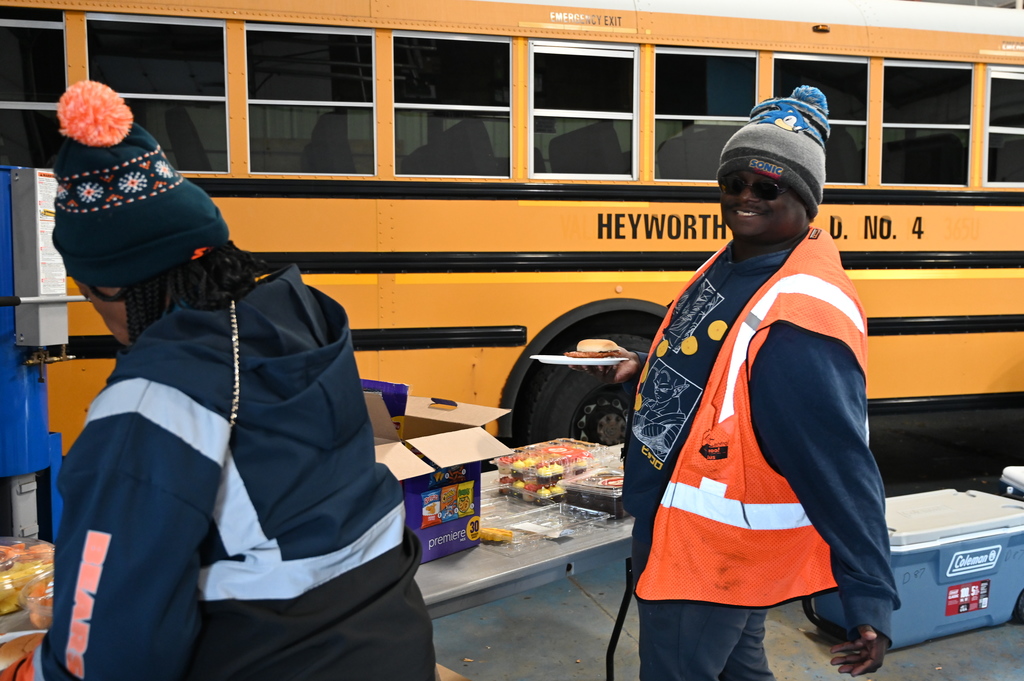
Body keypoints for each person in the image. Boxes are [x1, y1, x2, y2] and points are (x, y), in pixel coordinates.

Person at [0, 80, 436, 681]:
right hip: (393, 644)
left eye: (89, 293)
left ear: (114, 284)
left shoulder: (156, 400)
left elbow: (111, 644)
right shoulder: (299, 315)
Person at [575, 86, 899, 680]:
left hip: (709, 553)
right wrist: (640, 368)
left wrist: (869, 596)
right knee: (740, 670)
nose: (746, 197)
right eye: (734, 182)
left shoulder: (799, 318)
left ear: (805, 199)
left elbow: (838, 460)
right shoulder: (736, 263)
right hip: (697, 537)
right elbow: (717, 370)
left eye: (768, 187)